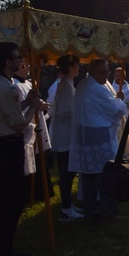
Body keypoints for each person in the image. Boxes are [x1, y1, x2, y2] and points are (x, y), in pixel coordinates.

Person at [0, 42, 43, 256]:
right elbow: (18, 123)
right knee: (11, 202)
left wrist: (28, 101)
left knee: (12, 200)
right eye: (17, 57)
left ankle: (5, 249)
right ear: (8, 62)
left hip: (2, 146)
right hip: (8, 147)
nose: (21, 61)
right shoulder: (6, 87)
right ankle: (1, 255)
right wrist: (34, 107)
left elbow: (11, 111)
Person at [69, 59, 127, 223]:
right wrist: (120, 99)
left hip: (85, 134)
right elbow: (116, 110)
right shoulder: (97, 89)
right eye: (103, 72)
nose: (107, 75)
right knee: (104, 176)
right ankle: (108, 212)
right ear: (93, 72)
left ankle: (90, 209)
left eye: (107, 71)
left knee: (88, 175)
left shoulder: (83, 84)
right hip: (98, 135)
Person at [50, 54, 84, 221]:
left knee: (68, 173)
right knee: (66, 173)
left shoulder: (67, 84)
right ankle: (65, 208)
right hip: (65, 136)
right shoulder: (66, 86)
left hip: (65, 134)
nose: (78, 68)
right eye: (76, 65)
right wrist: (80, 120)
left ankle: (68, 204)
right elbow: (66, 112)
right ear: (69, 68)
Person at [13, 59, 53, 201]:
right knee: (28, 160)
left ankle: (42, 192)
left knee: (38, 157)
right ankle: (30, 194)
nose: (28, 67)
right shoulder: (14, 85)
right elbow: (18, 109)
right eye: (23, 65)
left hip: (36, 124)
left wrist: (41, 105)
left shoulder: (29, 83)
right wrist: (36, 106)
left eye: (27, 64)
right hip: (27, 127)